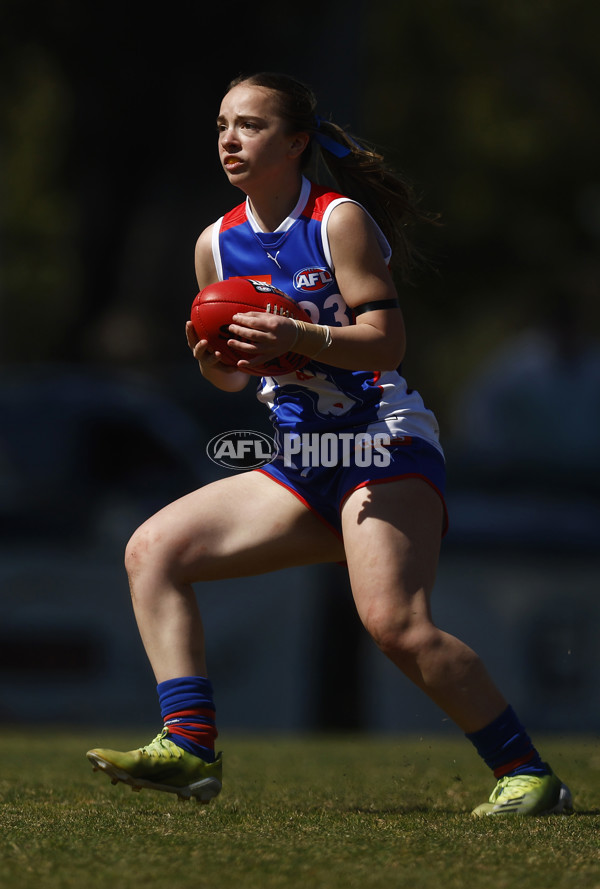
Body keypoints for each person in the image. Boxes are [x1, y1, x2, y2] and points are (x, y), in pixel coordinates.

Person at [86, 72, 573, 816]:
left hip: (383, 445)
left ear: (296, 143)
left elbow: (387, 342)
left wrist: (295, 333)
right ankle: (188, 749)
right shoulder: (215, 244)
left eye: (250, 125)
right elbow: (230, 382)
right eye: (222, 124)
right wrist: (216, 360)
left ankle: (529, 775)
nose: (229, 138)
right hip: (301, 460)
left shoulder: (336, 220)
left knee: (396, 627)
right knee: (153, 551)